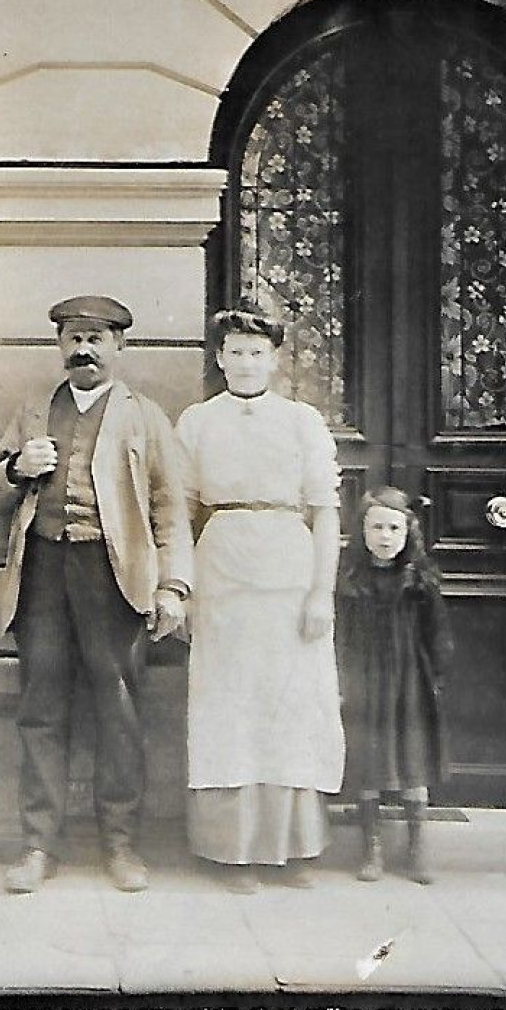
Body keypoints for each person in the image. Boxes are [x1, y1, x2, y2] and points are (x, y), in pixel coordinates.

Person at [0, 295, 191, 895]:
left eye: (97, 338)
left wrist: (173, 586)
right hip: (43, 572)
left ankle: (121, 844)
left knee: (119, 709)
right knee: (41, 707)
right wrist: (17, 470)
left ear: (119, 346)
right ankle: (37, 846)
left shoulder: (144, 416)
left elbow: (170, 507)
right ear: (60, 346)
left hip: (114, 576)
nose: (84, 350)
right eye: (73, 338)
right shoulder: (31, 411)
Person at [176, 308, 343, 894]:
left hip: (289, 570)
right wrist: (182, 588)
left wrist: (321, 593)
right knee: (229, 703)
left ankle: (293, 847)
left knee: (291, 703)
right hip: (221, 568)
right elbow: (178, 511)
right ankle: (232, 852)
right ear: (220, 358)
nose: (245, 362)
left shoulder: (302, 423)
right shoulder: (196, 423)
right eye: (235, 351)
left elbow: (325, 514)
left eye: (257, 352)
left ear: (275, 359)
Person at [337, 487, 454, 885]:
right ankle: (371, 848)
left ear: (408, 533)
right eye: (376, 527)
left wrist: (436, 674)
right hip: (367, 679)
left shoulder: (419, 580)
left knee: (412, 759)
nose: (384, 536)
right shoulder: (352, 581)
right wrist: (343, 679)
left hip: (409, 680)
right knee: (369, 761)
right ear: (362, 531)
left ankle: (417, 847)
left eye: (393, 528)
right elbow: (343, 637)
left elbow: (437, 632)